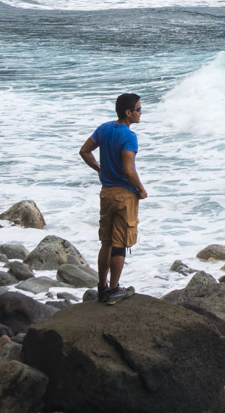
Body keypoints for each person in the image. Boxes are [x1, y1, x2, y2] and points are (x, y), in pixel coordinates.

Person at [78, 93, 147, 303]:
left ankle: (102, 287)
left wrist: (99, 169)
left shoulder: (104, 128)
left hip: (106, 193)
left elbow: (84, 151)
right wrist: (141, 190)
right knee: (120, 244)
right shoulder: (129, 136)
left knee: (106, 243)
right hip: (124, 196)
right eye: (138, 109)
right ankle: (114, 289)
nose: (140, 113)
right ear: (129, 113)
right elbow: (129, 170)